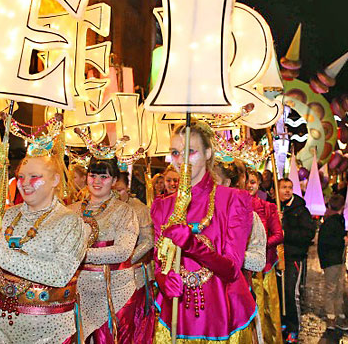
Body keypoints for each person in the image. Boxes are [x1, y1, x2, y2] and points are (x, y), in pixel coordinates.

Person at [152, 121, 256, 343]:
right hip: (177, 317)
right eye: (175, 153)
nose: (181, 160)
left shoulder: (234, 200)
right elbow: (159, 260)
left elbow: (231, 270)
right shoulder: (162, 206)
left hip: (224, 315)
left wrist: (192, 245)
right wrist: (163, 279)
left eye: (190, 151)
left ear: (208, 153)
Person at [0, 153, 90, 343]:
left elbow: (60, 274)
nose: (25, 183)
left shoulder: (70, 221)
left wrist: (3, 257)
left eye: (34, 176)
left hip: (50, 330)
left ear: (55, 180)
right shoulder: (7, 216)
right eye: (20, 177)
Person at [68, 157, 139, 342]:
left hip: (113, 291)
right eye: (92, 176)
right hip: (76, 290)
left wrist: (81, 255)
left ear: (114, 180)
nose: (97, 181)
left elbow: (123, 251)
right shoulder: (71, 210)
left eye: (104, 177)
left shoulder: (125, 211)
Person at [113, 171, 155, 342]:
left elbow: (149, 241)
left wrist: (126, 260)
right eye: (113, 190)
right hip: (107, 276)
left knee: (130, 323)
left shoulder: (139, 209)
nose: (116, 194)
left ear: (128, 189)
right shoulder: (105, 208)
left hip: (135, 273)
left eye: (120, 190)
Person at [246, 170, 284, 344]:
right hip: (240, 268)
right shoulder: (235, 205)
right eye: (246, 181)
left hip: (263, 267)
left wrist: (259, 246)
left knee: (263, 309)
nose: (249, 185)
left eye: (253, 182)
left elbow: (278, 234)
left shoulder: (269, 207)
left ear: (259, 183)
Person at [278, 178, 316, 343]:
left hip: (293, 258)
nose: (287, 190)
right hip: (276, 258)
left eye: (290, 187)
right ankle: (282, 322)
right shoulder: (275, 207)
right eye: (283, 187)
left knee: (291, 293)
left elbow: (308, 235)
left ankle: (294, 328)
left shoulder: (301, 210)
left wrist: (286, 233)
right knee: (279, 293)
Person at [317, 194, 348, 331]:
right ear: (342, 207)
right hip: (332, 260)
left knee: (338, 288)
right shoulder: (332, 221)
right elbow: (326, 242)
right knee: (332, 288)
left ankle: (337, 313)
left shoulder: (332, 220)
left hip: (335, 259)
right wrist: (343, 241)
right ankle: (331, 317)